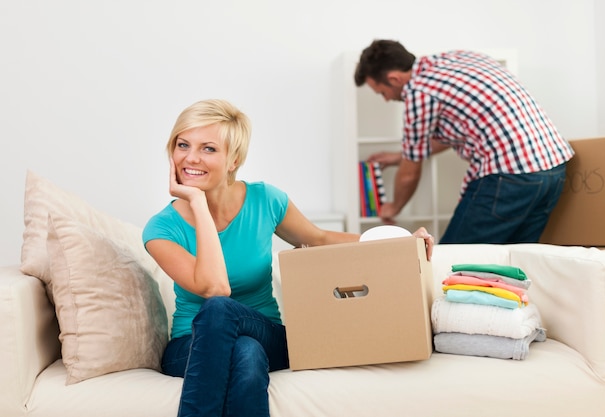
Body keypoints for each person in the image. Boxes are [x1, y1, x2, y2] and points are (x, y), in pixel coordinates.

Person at [142, 99, 434, 417]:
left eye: (208, 148)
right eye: (182, 145)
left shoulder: (265, 199)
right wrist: (198, 204)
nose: (191, 157)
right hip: (191, 345)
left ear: (233, 160)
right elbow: (214, 288)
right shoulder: (161, 229)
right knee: (243, 348)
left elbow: (319, 239)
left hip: (268, 333)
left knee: (236, 328)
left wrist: (401, 240)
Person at [354, 39, 575, 244]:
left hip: (509, 176)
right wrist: (398, 157)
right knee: (513, 260)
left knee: (450, 261)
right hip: (553, 169)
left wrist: (393, 207)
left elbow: (410, 173)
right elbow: (463, 129)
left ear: (394, 78)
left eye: (382, 92)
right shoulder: (457, 58)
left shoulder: (419, 92)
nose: (386, 99)